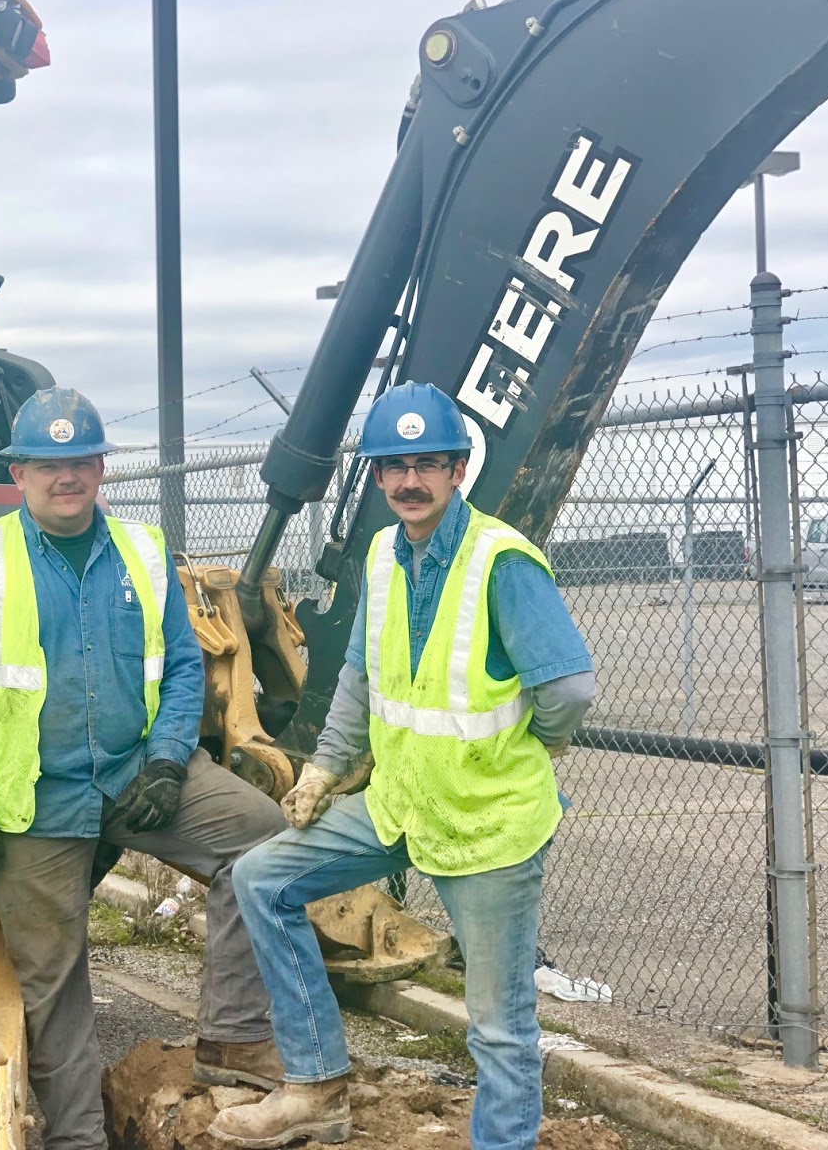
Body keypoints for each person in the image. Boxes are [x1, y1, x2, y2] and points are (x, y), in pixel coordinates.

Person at [211, 383, 597, 1150]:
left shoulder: (500, 561)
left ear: (458, 470)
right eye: (394, 467)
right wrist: (325, 770)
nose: (409, 481)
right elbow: (359, 673)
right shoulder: (386, 554)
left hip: (487, 824)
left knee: (497, 1026)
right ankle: (316, 1088)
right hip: (398, 803)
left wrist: (535, 745)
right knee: (263, 879)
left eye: (427, 464)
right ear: (380, 478)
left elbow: (570, 689)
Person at [0, 387, 290, 1150]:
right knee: (56, 980)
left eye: (80, 461)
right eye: (48, 466)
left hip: (130, 774)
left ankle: (235, 1036)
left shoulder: (143, 554)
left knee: (262, 835)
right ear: (18, 475)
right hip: (31, 801)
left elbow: (183, 667)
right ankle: (80, 1138)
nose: (66, 478)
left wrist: (170, 762)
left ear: (100, 468)